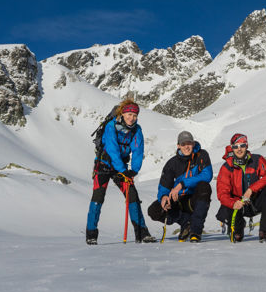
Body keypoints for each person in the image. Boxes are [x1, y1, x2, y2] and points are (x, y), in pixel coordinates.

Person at [85, 99, 155, 244]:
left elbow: (137, 151)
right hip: (104, 164)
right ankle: (91, 235)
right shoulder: (111, 126)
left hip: (120, 167)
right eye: (129, 114)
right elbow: (112, 149)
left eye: (135, 115)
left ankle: (142, 233)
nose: (132, 118)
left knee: (133, 196)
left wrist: (134, 170)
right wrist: (124, 170)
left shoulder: (137, 130)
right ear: (123, 114)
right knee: (98, 198)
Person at [147, 131, 212, 242]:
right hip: (179, 200)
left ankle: (195, 231)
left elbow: (207, 175)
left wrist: (182, 184)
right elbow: (164, 184)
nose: (187, 147)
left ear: (193, 144)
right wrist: (163, 197)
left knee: (204, 187)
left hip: (194, 200)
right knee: (154, 210)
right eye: (183, 144)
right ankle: (185, 222)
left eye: (189, 143)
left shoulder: (202, 155)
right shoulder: (172, 163)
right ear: (178, 146)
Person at [216, 133, 266, 243]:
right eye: (236, 146)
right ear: (232, 148)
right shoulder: (226, 167)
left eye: (242, 145)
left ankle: (264, 231)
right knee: (227, 206)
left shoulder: (256, 160)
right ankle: (238, 228)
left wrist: (251, 189)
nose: (239, 149)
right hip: (236, 204)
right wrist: (234, 203)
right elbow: (222, 194)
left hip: (254, 201)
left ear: (246, 146)